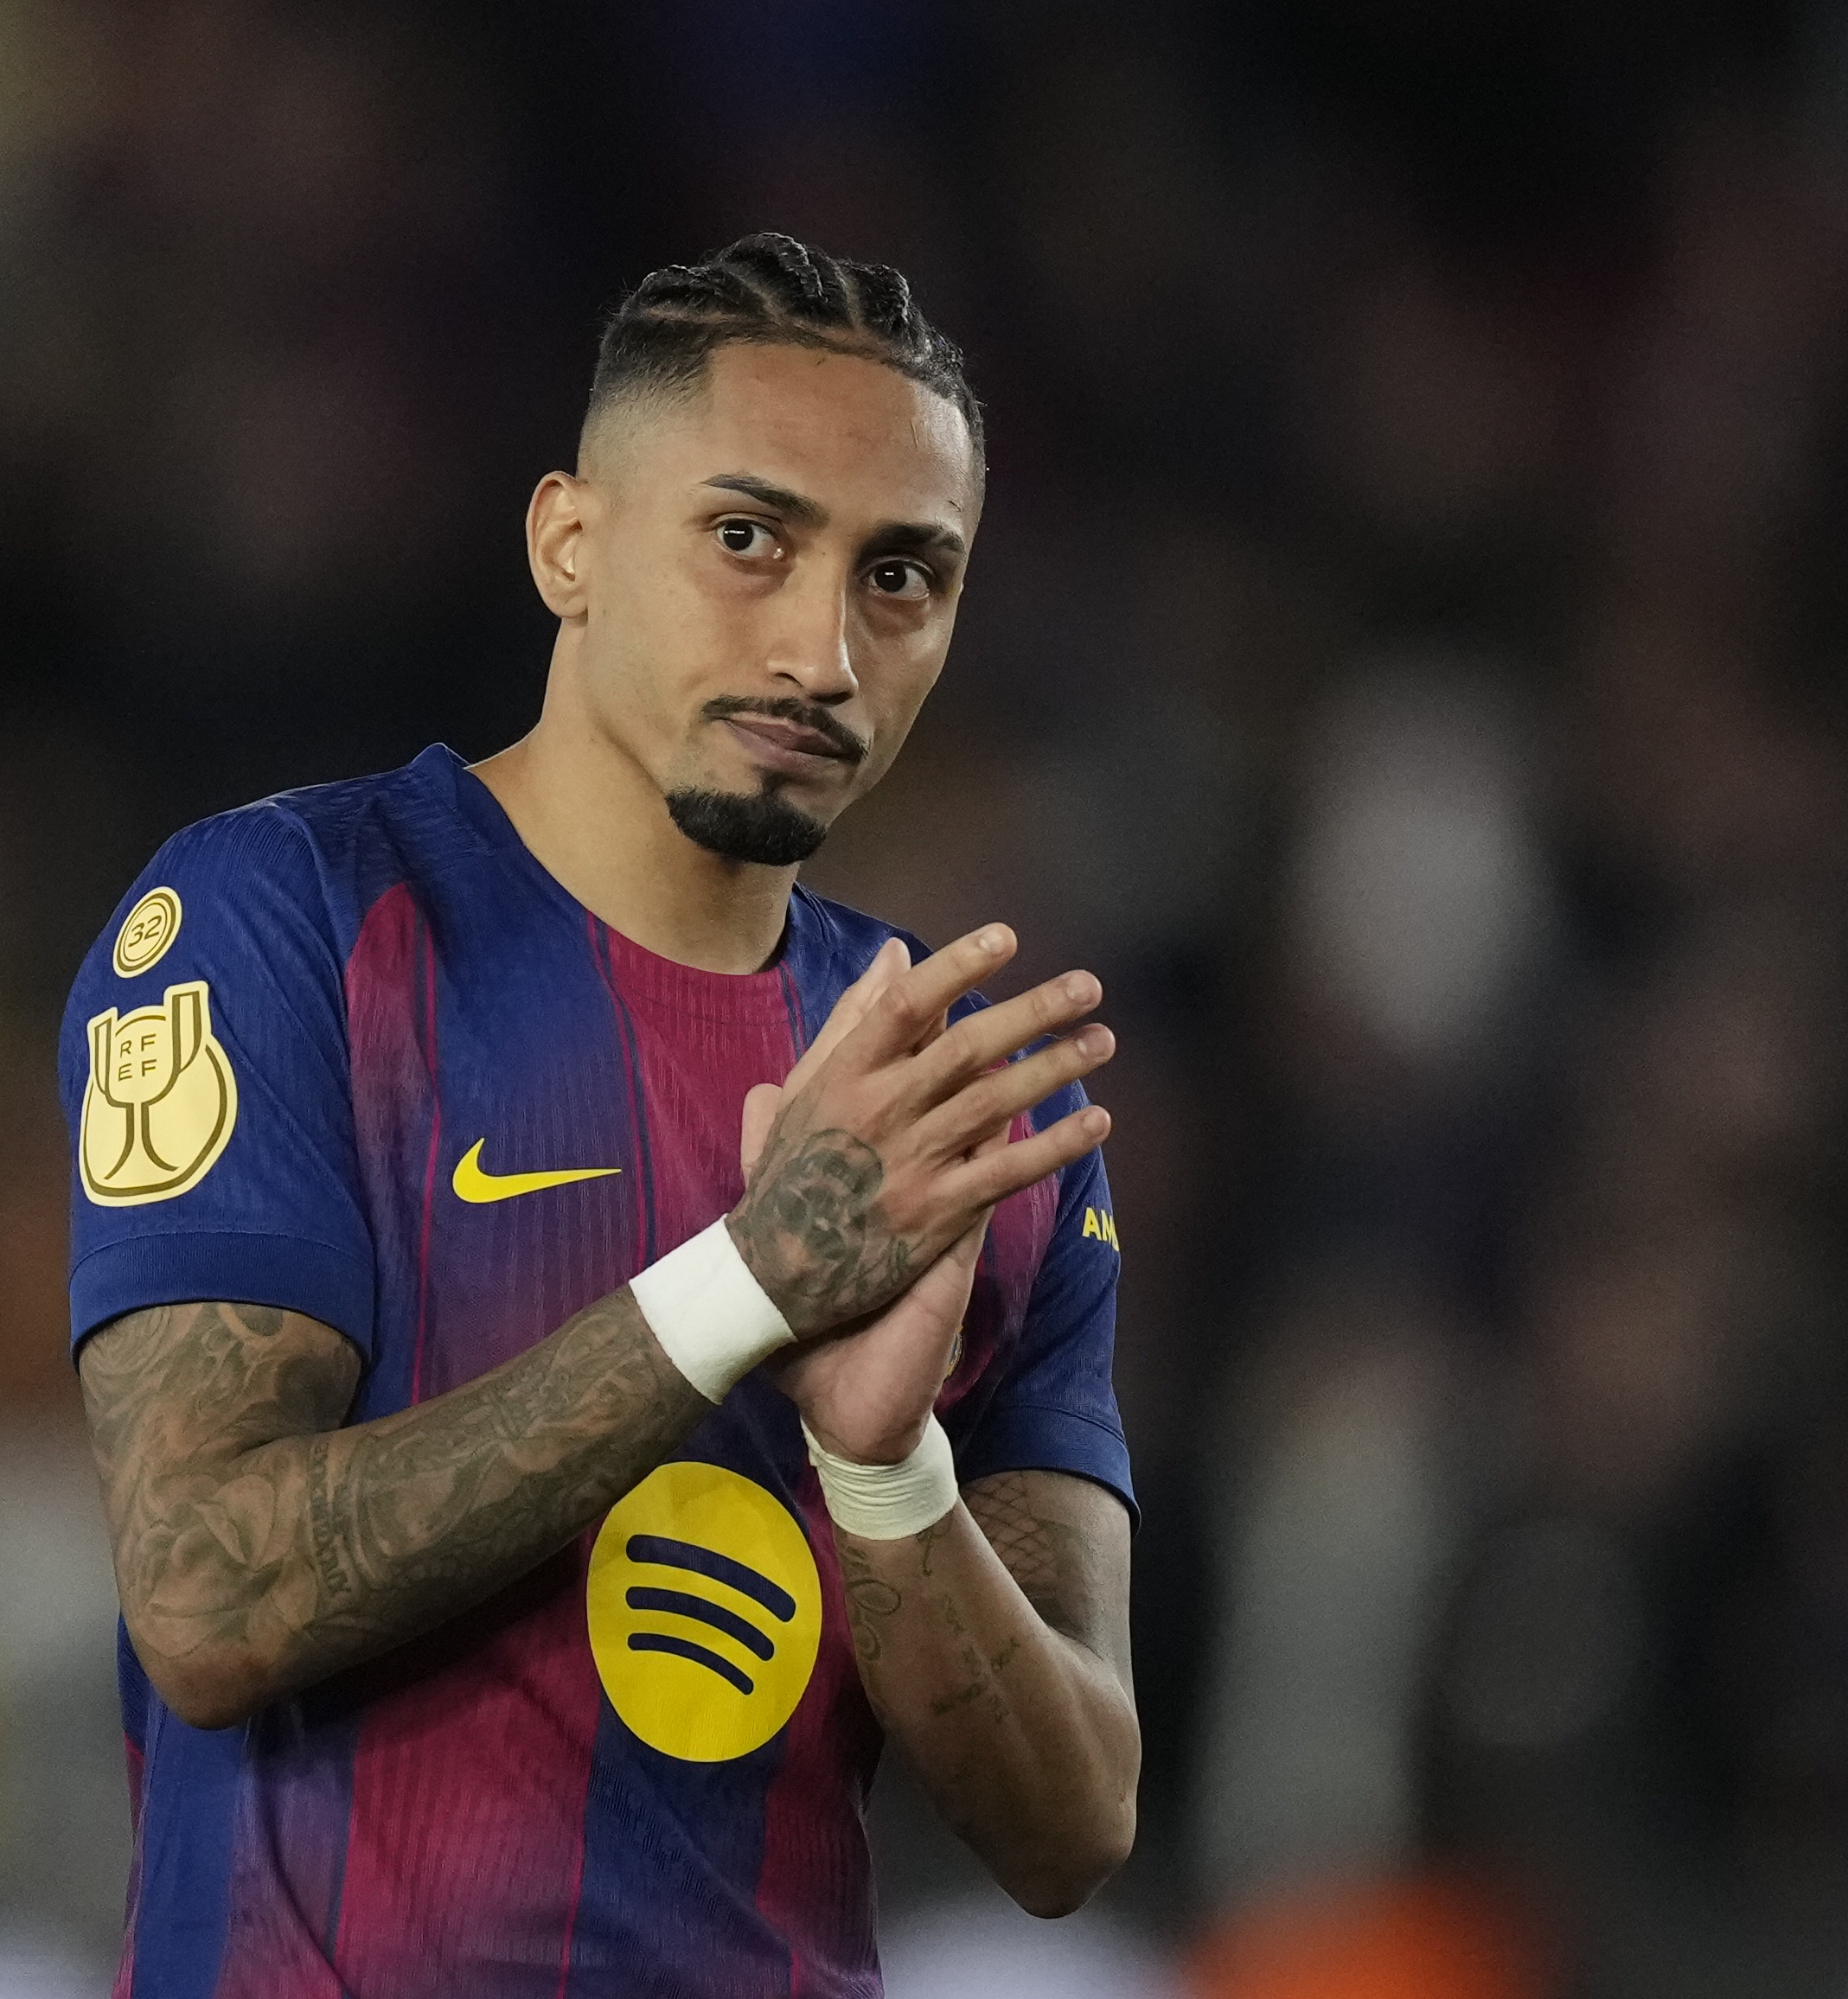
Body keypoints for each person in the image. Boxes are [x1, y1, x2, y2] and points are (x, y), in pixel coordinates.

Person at [60, 233, 1136, 1998]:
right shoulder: (284, 922)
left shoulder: (953, 1101)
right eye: (745, 538)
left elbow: (1069, 1821)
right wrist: (744, 1288)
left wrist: (884, 1472)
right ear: (568, 540)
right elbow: (202, 1593)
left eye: (900, 576)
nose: (820, 646)